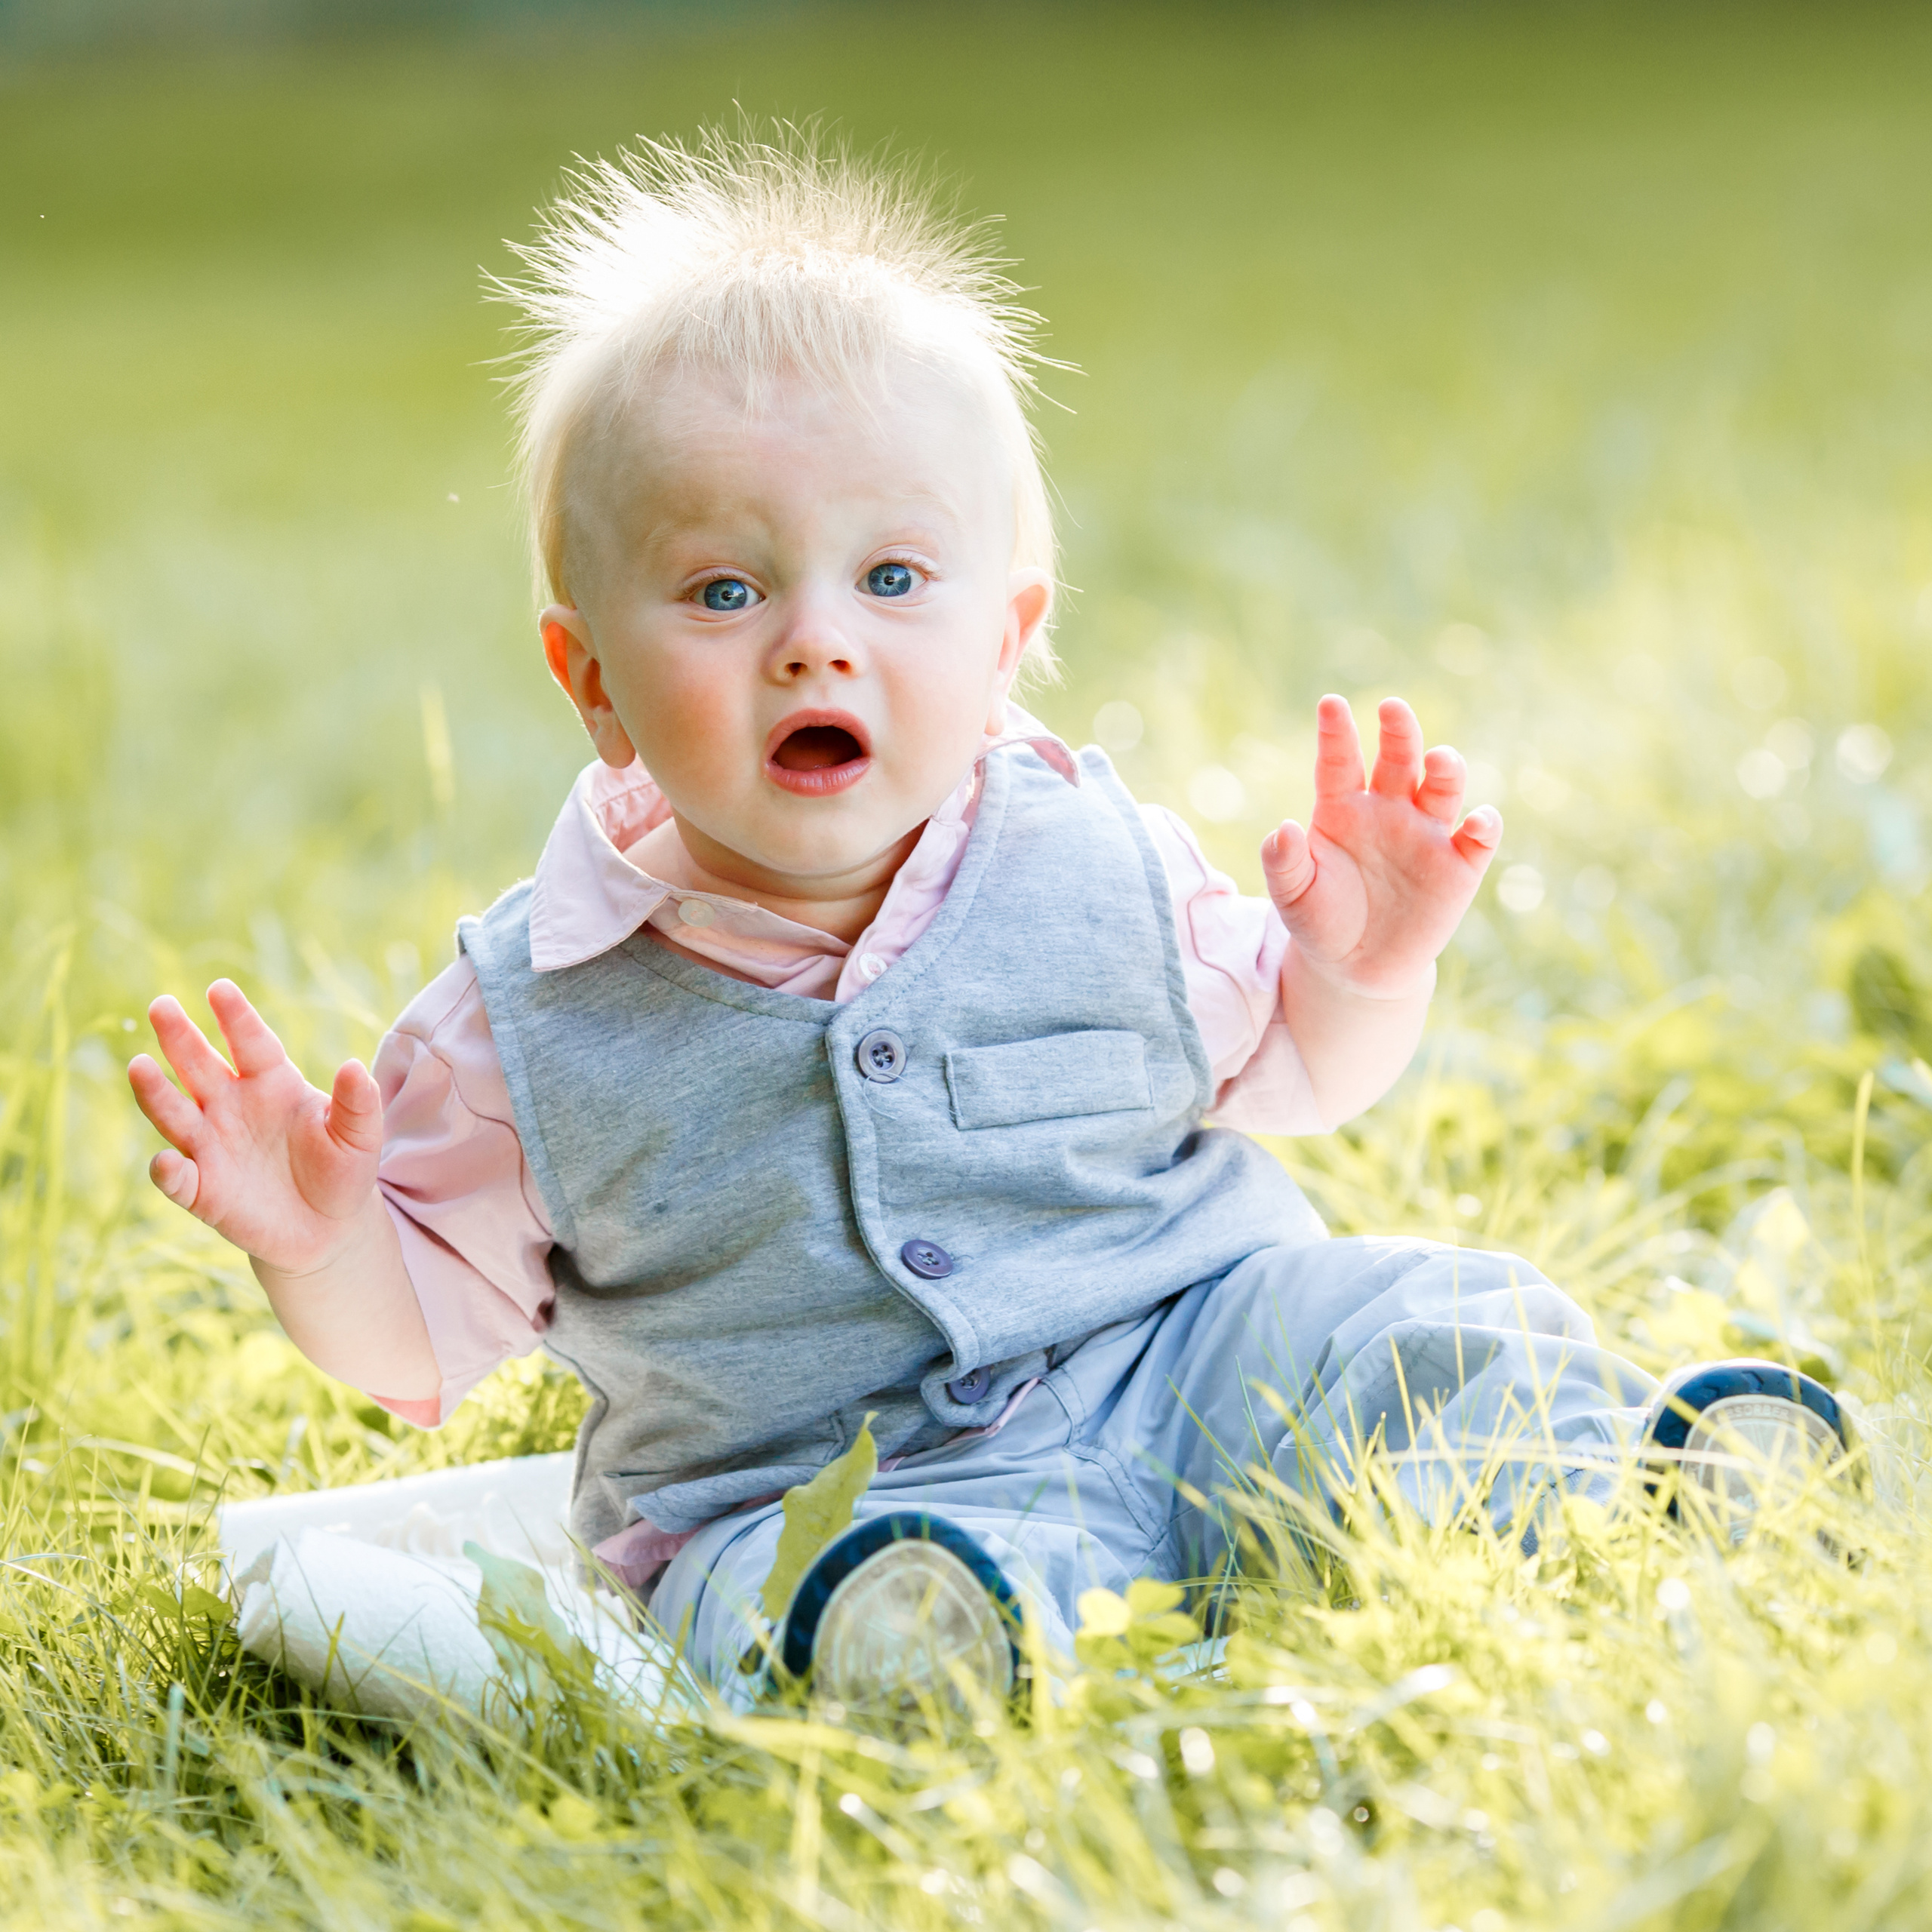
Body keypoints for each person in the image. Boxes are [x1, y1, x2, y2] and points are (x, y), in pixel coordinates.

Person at [128, 131, 1850, 1720]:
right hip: (827, 1473)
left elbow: (1294, 1073)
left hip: (1193, 1341)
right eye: (725, 590)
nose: (815, 641)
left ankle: (1627, 1463)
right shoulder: (528, 1017)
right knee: (782, 1584)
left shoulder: (1095, 857)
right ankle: (934, 1636)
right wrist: (320, 1239)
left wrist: (1359, 962)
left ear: (1007, 632)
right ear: (590, 675)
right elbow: (420, 1332)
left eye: (889, 580)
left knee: (1399, 1321)